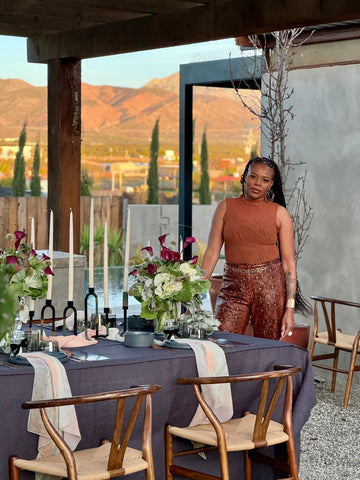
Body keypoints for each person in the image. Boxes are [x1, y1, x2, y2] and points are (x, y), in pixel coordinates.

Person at [201, 156, 307, 340]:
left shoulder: (280, 214)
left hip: (270, 287)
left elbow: (289, 264)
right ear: (244, 176)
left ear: (271, 184)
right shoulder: (225, 207)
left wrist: (289, 309)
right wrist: (194, 291)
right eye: (253, 176)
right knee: (219, 342)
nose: (257, 183)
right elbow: (211, 253)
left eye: (265, 180)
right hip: (233, 286)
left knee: (268, 347)